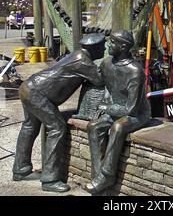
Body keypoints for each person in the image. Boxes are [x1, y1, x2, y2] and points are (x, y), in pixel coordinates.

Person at [13, 33, 106, 193]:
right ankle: (50, 179)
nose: (104, 49)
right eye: (102, 46)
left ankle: (21, 170)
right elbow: (100, 80)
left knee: (30, 127)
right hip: (38, 93)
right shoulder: (83, 60)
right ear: (94, 48)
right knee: (57, 127)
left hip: (29, 87)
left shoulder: (77, 55)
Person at [86, 30, 151, 195]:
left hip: (137, 114)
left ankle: (107, 175)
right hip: (114, 108)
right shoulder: (107, 63)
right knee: (94, 126)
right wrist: (104, 104)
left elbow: (132, 109)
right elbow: (107, 87)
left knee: (118, 127)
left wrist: (106, 109)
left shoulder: (135, 71)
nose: (108, 45)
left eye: (113, 42)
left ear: (123, 47)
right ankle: (97, 175)